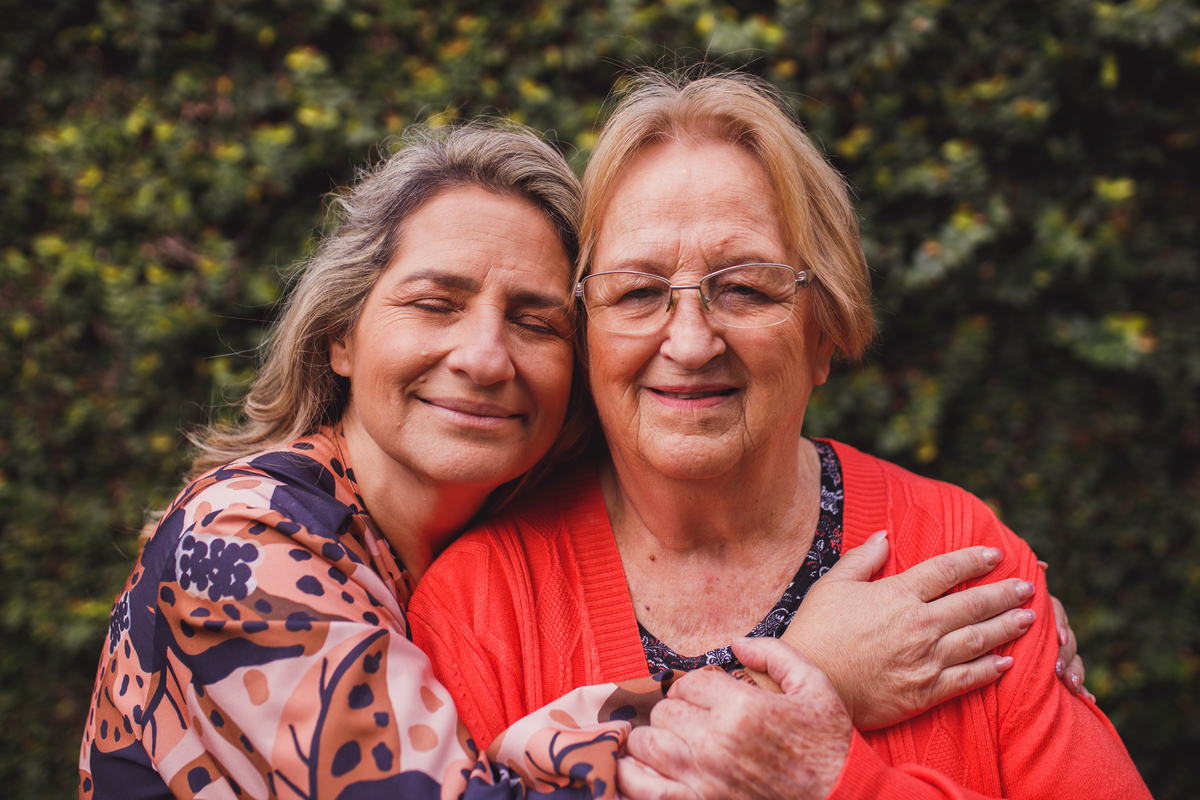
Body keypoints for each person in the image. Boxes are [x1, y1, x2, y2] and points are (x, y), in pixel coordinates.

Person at [80, 116, 1081, 800]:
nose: (485, 357)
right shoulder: (245, 540)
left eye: (534, 319)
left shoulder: (460, 532)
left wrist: (1019, 590)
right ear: (340, 334)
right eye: (434, 302)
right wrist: (802, 680)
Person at [407, 71, 1149, 798]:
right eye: (637, 292)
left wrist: (841, 784)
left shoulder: (953, 557)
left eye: (744, 287)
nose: (691, 343)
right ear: (585, 338)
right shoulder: (482, 609)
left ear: (823, 332)